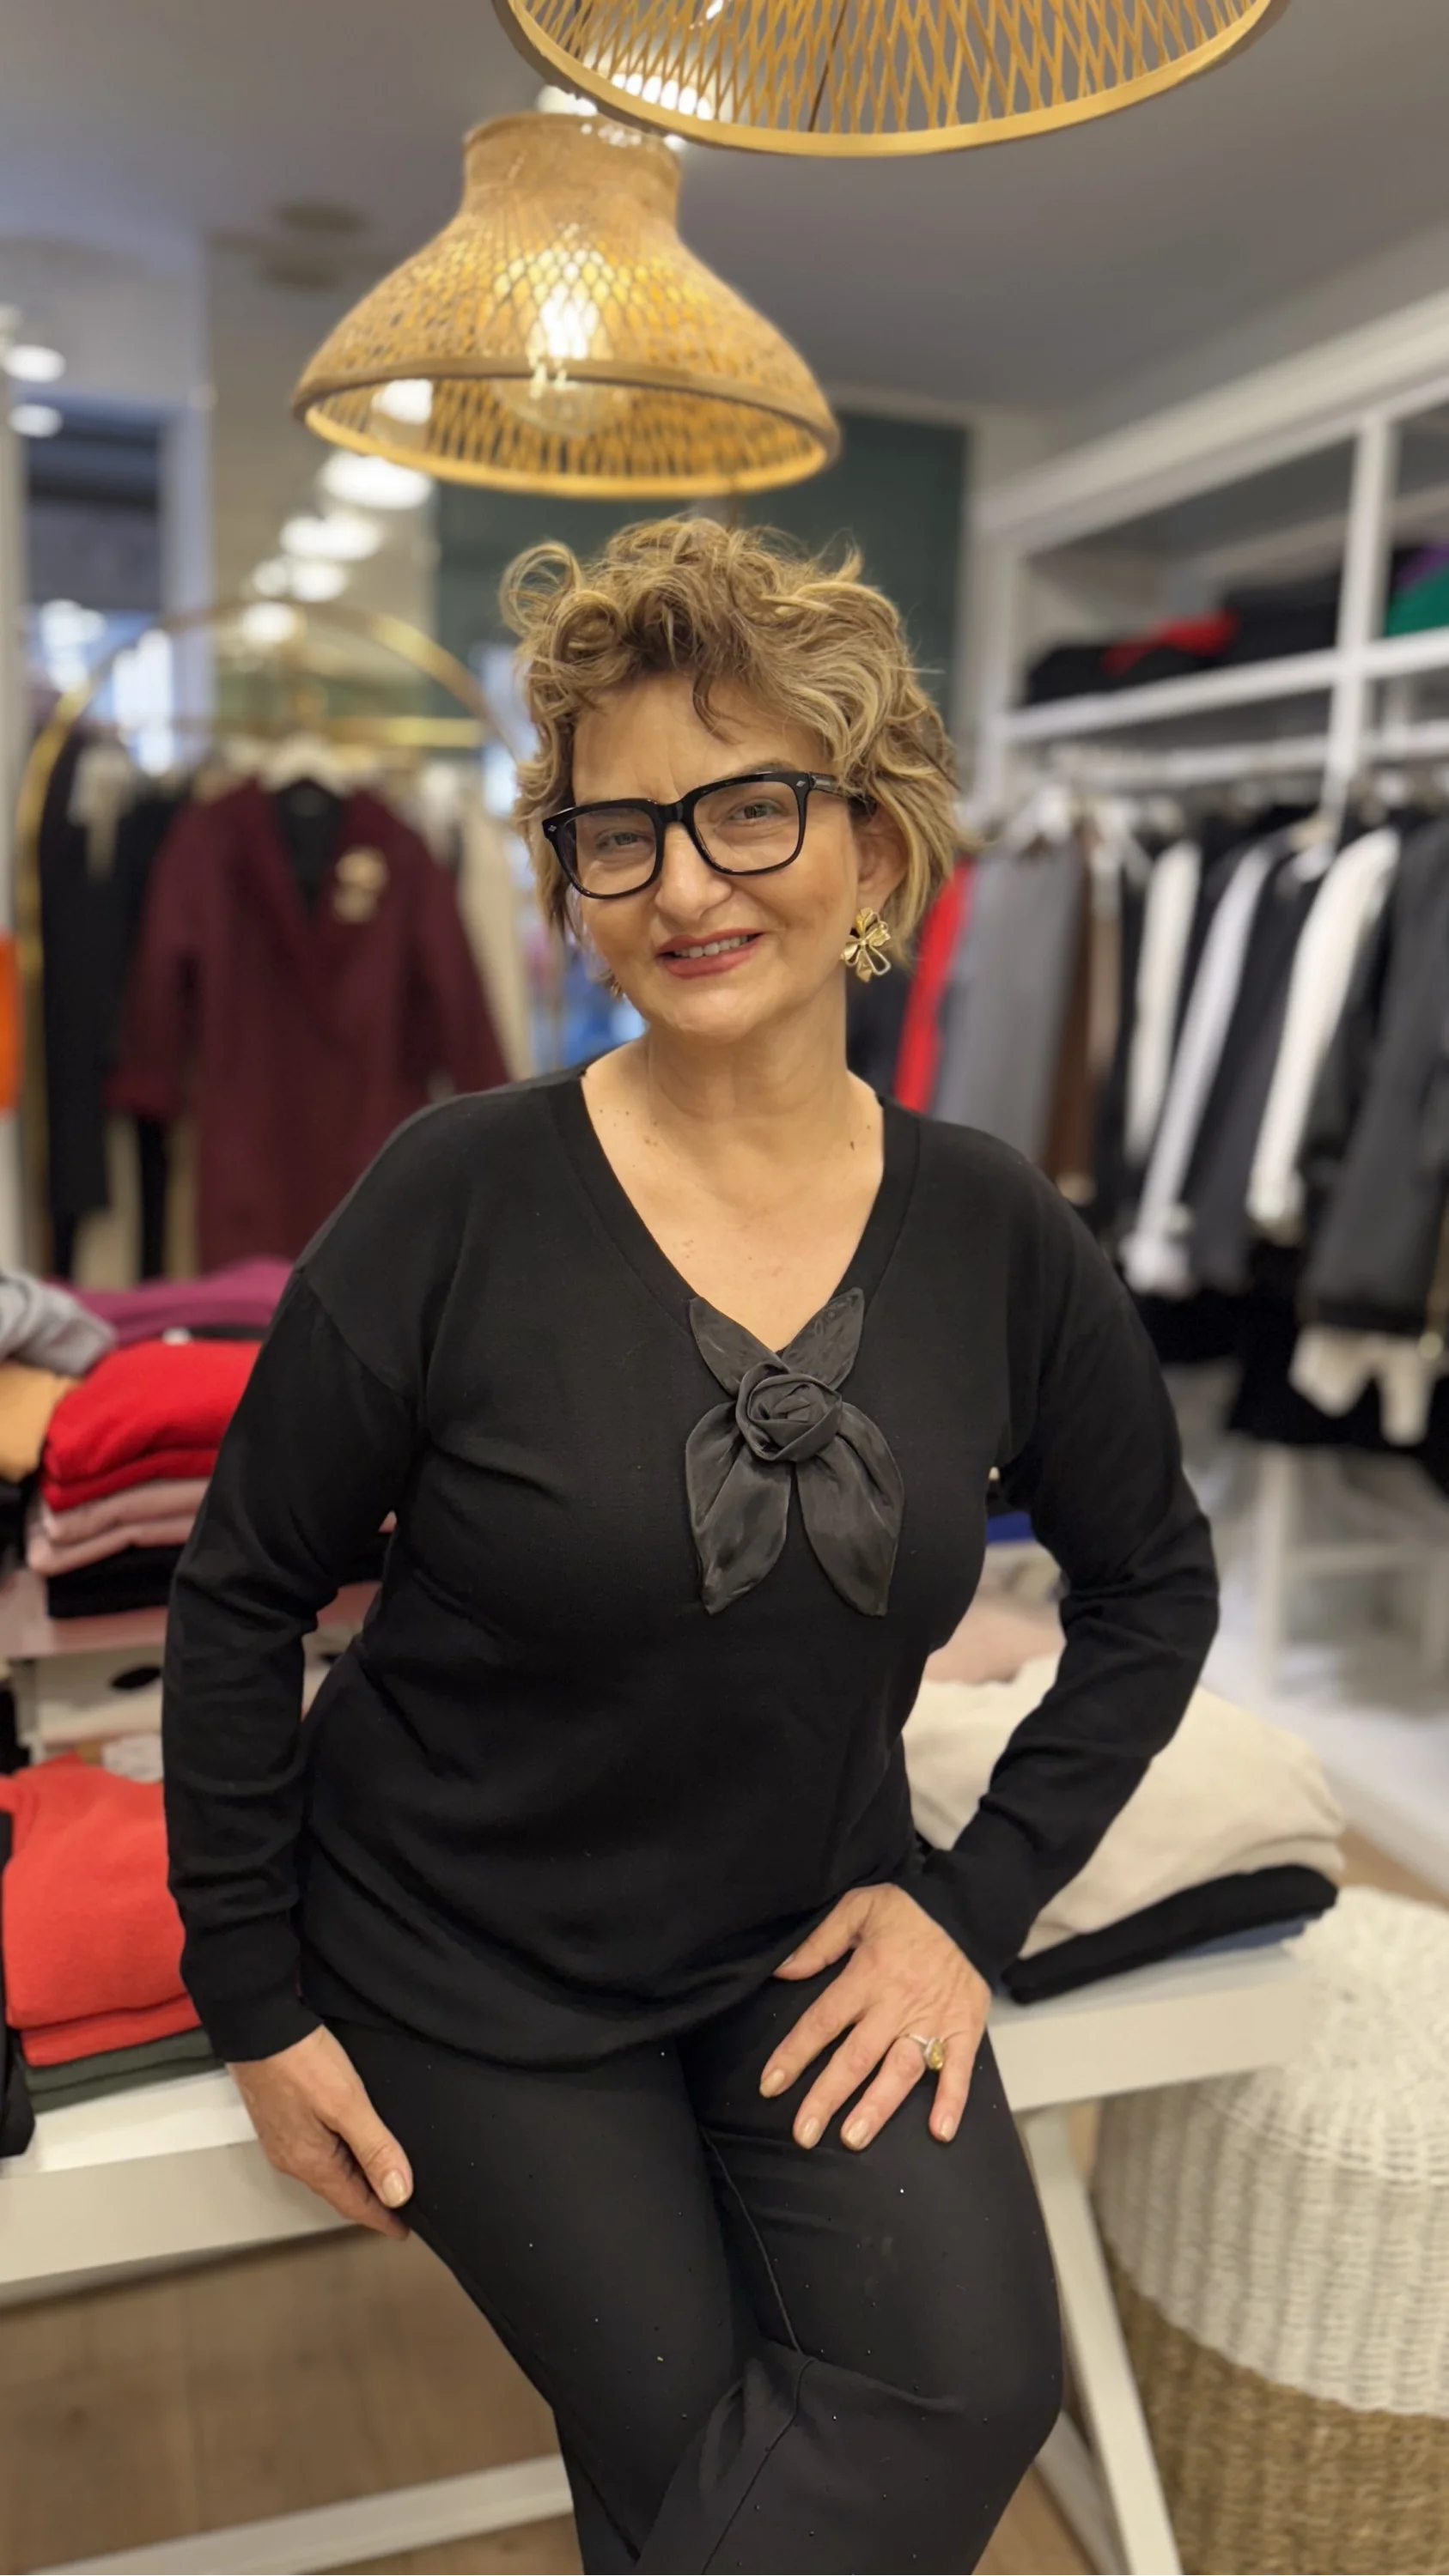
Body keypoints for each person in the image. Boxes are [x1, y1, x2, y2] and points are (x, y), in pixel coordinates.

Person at [161, 519, 1218, 2575]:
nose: (685, 886)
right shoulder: (454, 1195)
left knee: (971, 2388)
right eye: (619, 834)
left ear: (876, 848)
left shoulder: (998, 1230)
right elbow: (241, 1592)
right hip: (459, 1950)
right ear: (570, 879)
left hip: (801, 1933)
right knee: (689, 2440)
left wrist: (971, 1907)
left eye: (749, 810)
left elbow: (1154, 1587)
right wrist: (254, 2003)